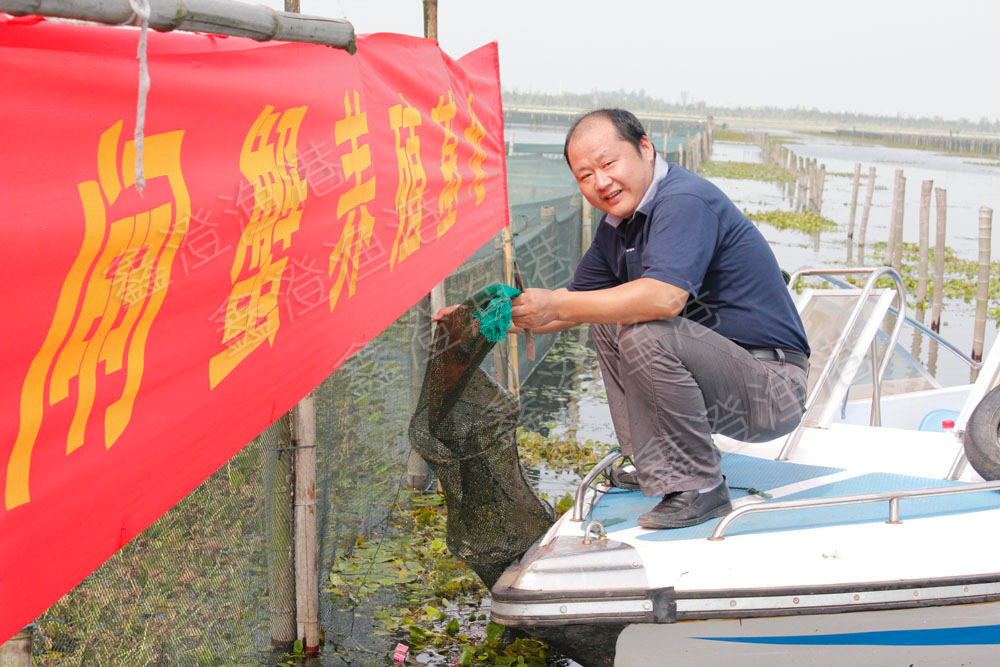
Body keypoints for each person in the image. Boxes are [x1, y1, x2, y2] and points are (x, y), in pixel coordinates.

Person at [501, 109, 810, 529]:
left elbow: (664, 298)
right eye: (585, 175)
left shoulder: (683, 201)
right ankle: (656, 465)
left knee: (646, 329)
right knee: (609, 318)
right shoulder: (619, 225)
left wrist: (558, 306)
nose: (600, 182)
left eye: (609, 164)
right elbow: (574, 301)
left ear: (645, 149)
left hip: (771, 390)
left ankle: (701, 487)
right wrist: (495, 318)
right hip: (723, 382)